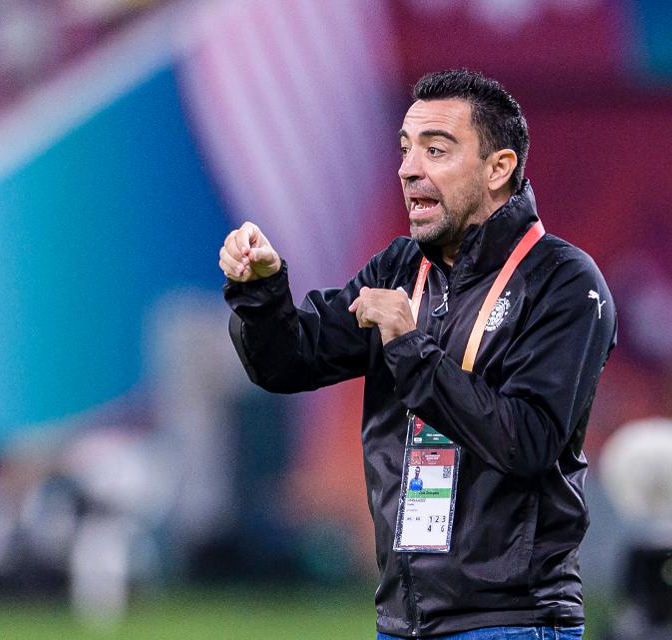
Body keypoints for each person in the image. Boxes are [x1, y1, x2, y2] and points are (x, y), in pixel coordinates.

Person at [219, 69, 616, 639]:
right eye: (406, 150)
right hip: (405, 621)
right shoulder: (401, 268)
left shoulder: (563, 282)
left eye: (436, 149)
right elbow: (289, 362)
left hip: (513, 622)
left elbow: (525, 441)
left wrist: (409, 347)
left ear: (498, 168)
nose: (409, 168)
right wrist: (262, 292)